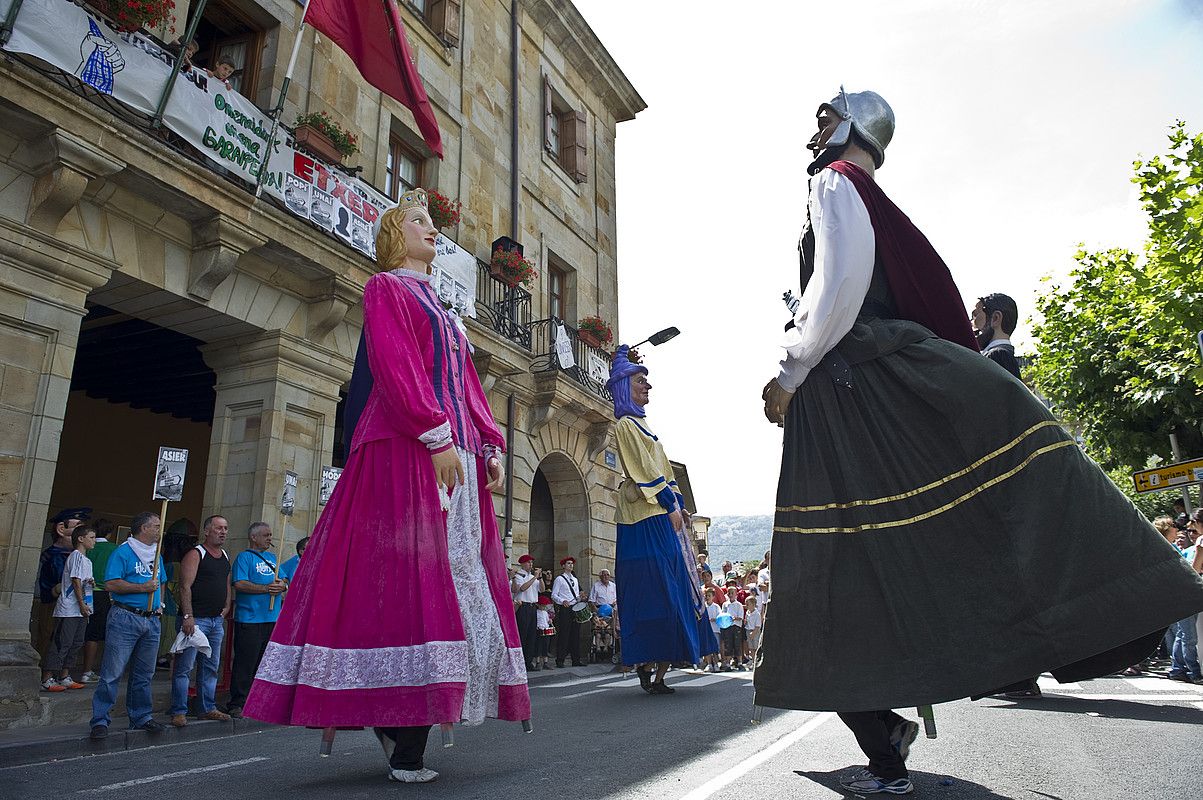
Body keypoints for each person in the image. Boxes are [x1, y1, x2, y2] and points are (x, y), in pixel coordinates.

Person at [756, 87, 1203, 795]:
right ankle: (880, 732)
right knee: (850, 567)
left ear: (850, 127)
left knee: (828, 570)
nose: (811, 135)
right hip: (859, 385)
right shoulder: (860, 192)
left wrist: (788, 370)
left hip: (846, 388)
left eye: (822, 121)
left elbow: (835, 288)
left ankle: (881, 733)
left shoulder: (833, 184)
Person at [242, 189, 530, 784]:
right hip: (407, 447)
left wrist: (488, 443)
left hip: (454, 455)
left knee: (451, 585)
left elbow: (467, 383)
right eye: (419, 221)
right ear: (395, 238)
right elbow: (397, 366)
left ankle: (406, 726)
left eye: (431, 221)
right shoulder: (386, 289)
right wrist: (436, 434)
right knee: (409, 583)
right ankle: (403, 737)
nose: (432, 230)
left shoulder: (447, 311)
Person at [608, 345, 719, 694]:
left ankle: (661, 671)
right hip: (642, 518)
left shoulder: (644, 426)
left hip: (661, 515)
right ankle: (645, 660)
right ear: (626, 386)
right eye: (642, 381)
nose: (648, 387)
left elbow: (664, 469)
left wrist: (679, 504)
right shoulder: (626, 425)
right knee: (652, 590)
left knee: (673, 590)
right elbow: (642, 470)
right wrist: (670, 502)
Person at [90, 511, 167, 739]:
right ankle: (100, 720)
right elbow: (111, 584)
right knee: (112, 672)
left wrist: (159, 603)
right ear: (143, 528)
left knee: (144, 673)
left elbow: (160, 582)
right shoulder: (123, 552)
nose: (159, 531)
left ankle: (141, 716)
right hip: (125, 617)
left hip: (151, 619)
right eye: (156, 526)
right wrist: (142, 589)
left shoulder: (157, 555)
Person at [169, 514, 232, 727]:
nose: (223, 532)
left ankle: (207, 707)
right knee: (185, 667)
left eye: (225, 528)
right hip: (196, 621)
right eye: (218, 528)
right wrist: (188, 616)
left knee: (211, 666)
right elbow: (185, 586)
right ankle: (179, 710)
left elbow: (226, 582)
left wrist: (226, 606)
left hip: (215, 620)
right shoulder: (196, 554)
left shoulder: (224, 554)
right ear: (207, 531)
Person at [226, 522, 285, 718]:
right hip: (250, 618)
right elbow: (240, 583)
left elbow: (283, 580)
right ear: (254, 537)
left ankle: (259, 700)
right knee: (245, 662)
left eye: (270, 534)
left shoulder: (272, 558)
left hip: (271, 618)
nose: (270, 538)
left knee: (264, 663)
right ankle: (238, 702)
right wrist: (265, 589)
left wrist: (281, 586)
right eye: (266, 535)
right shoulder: (244, 558)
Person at [33, 507, 88, 680]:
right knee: (51, 640)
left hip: (72, 607)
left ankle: (62, 674)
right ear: (61, 529)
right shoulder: (51, 556)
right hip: (53, 605)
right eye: (77, 527)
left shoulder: (78, 556)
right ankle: (45, 675)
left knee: (70, 642)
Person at [43, 524, 96, 691]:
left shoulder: (87, 560)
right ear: (81, 539)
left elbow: (83, 581)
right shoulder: (76, 556)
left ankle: (65, 675)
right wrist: (80, 603)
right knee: (62, 641)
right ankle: (47, 678)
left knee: (76, 642)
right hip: (70, 608)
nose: (94, 541)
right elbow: (75, 581)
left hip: (83, 609)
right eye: (91, 537)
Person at [81, 520, 116, 683]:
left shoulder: (89, 549)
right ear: (110, 533)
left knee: (85, 632)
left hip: (84, 593)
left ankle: (83, 669)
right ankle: (89, 671)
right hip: (103, 594)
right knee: (98, 634)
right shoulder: (114, 549)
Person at [971, 293, 1021, 379]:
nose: (972, 322)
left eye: (975, 315)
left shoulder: (997, 355)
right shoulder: (1003, 355)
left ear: (995, 318)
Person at [551, 556, 586, 668]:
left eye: (572, 563)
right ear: (563, 566)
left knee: (576, 634)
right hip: (565, 609)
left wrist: (581, 598)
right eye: (568, 563)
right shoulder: (559, 579)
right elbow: (554, 595)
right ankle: (560, 659)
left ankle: (576, 659)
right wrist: (562, 601)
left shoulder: (575, 580)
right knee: (564, 634)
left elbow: (576, 595)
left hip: (574, 607)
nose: (571, 565)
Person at [512, 554, 541, 670]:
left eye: (532, 563)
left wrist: (540, 578)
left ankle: (528, 661)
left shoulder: (532, 576)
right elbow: (522, 588)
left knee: (531, 635)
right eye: (529, 563)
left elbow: (542, 589)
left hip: (533, 606)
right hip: (523, 606)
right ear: (523, 564)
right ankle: (520, 662)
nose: (531, 565)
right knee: (522, 634)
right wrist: (534, 578)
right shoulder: (520, 575)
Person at [535, 595, 555, 671]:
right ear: (538, 605)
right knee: (538, 647)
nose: (544, 607)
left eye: (545, 606)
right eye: (542, 605)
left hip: (546, 630)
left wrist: (550, 621)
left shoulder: (546, 613)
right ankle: (537, 662)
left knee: (545, 647)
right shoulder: (536, 612)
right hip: (539, 630)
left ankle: (545, 663)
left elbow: (547, 620)